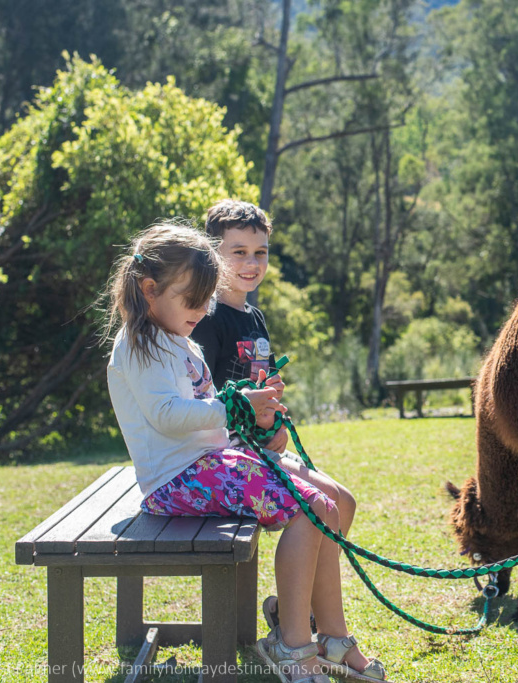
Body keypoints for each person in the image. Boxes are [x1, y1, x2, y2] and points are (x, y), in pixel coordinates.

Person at [103, 222, 386, 683]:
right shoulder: (139, 345)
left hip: (207, 465)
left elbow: (202, 410)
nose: (202, 310)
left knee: (329, 508)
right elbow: (167, 415)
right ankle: (292, 645)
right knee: (309, 509)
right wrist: (234, 405)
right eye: (191, 300)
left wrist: (245, 405)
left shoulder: (178, 339)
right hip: (178, 478)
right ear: (148, 290)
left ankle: (332, 637)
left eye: (205, 299)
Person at [189, 200, 364, 669]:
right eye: (238, 252)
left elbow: (258, 394)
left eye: (260, 252)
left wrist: (271, 423)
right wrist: (253, 420)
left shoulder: (256, 318)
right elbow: (204, 404)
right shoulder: (203, 320)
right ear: (211, 254)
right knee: (317, 507)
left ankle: (314, 624)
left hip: (256, 449)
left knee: (343, 502)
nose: (251, 263)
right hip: (222, 456)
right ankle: (304, 634)